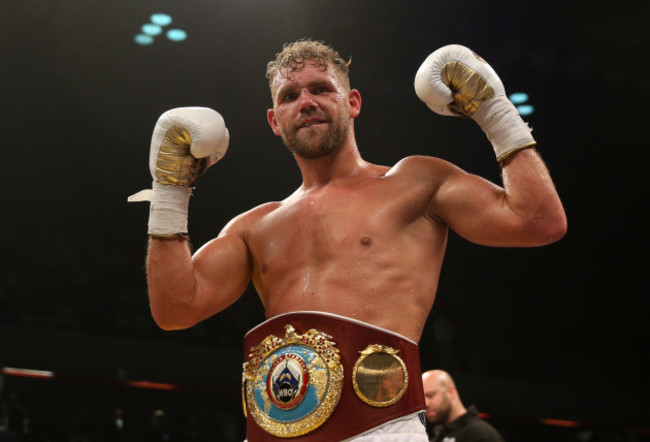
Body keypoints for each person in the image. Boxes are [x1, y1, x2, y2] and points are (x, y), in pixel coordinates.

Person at [129, 39, 566, 441]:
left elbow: (539, 221)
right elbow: (174, 309)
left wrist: (494, 111)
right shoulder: (254, 226)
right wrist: (169, 191)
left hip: (380, 427)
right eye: (289, 95)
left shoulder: (415, 182)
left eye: (321, 88)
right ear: (274, 122)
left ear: (352, 102)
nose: (306, 102)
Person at [422, 370, 505, 442]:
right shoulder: (436, 437)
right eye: (422, 399)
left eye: (430, 395)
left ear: (450, 392)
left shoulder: (481, 435)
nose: (426, 404)